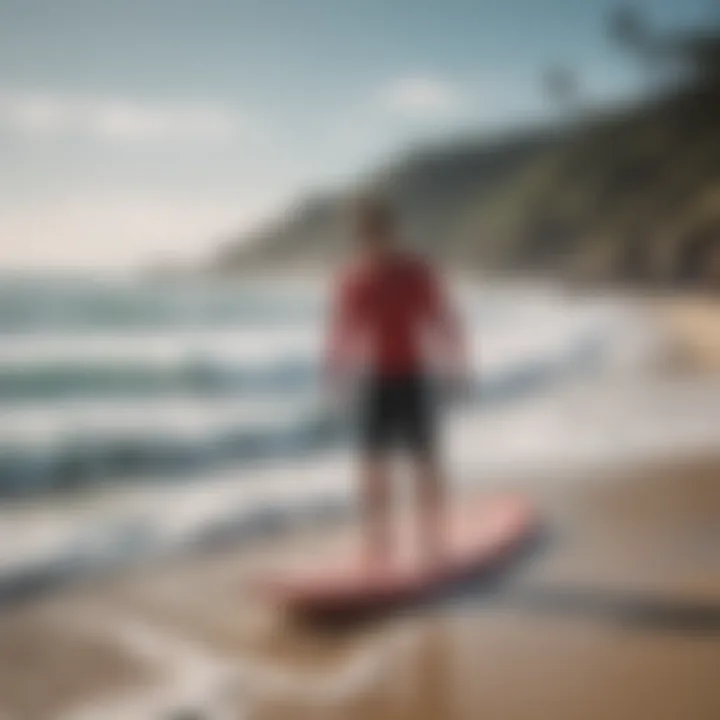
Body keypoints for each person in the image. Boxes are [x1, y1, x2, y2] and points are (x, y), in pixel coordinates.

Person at [325, 196, 467, 569]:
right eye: (365, 235)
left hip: (413, 377)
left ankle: (434, 539)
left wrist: (456, 365)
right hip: (376, 382)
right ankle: (378, 542)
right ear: (360, 237)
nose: (373, 241)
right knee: (372, 465)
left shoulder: (416, 273)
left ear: (392, 232)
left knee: (425, 462)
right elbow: (342, 330)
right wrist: (335, 371)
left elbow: (443, 320)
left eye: (379, 232)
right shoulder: (354, 279)